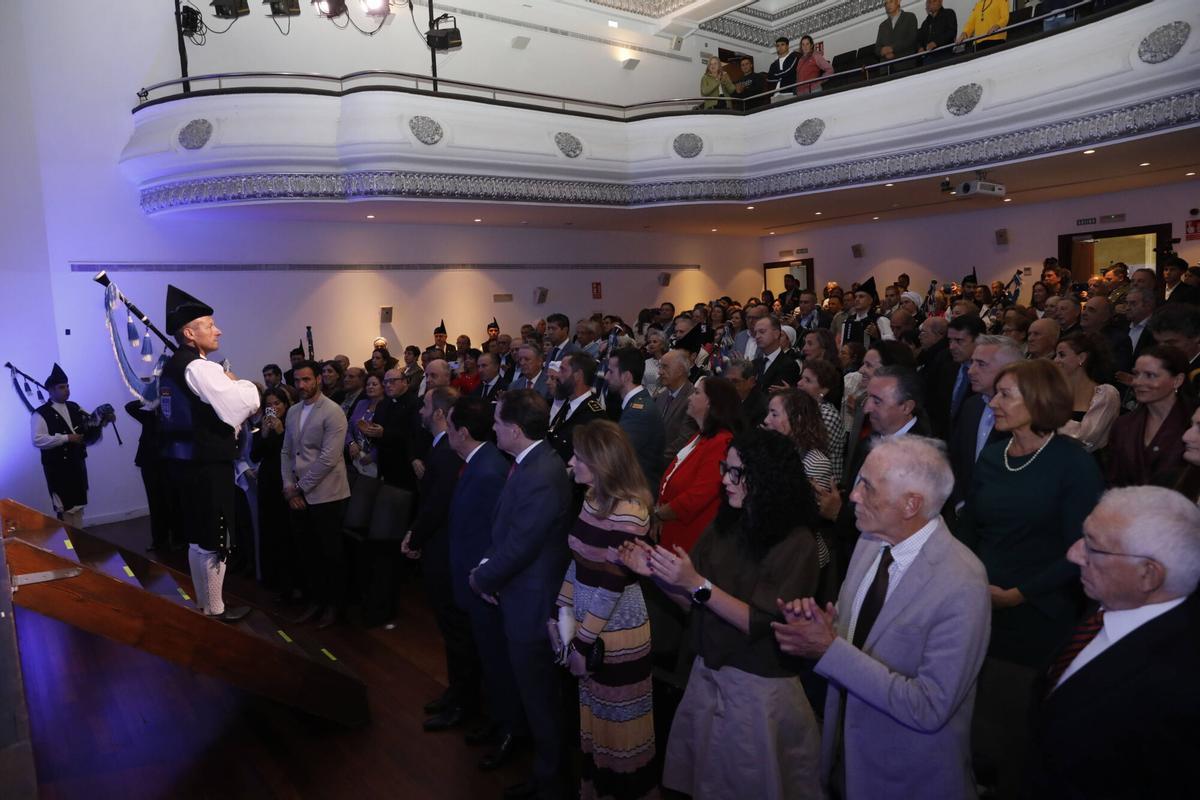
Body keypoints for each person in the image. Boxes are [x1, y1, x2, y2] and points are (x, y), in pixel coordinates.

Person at [773, 436, 990, 800]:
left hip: (906, 780)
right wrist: (821, 628)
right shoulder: (870, 541)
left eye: (868, 487)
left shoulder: (962, 582)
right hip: (845, 762)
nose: (854, 496)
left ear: (911, 504)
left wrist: (829, 649)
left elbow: (929, 707)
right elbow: (859, 639)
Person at [620, 429, 824, 800]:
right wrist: (656, 575)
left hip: (755, 688)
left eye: (736, 473)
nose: (725, 480)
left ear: (766, 479)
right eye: (724, 469)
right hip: (709, 673)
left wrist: (696, 583)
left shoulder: (797, 542)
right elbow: (693, 602)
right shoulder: (727, 523)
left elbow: (760, 623)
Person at [957, 359, 1103, 798]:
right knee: (973, 720)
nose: (993, 403)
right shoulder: (992, 455)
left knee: (1013, 731)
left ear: (1039, 400)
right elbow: (970, 529)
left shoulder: (1073, 464)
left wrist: (1019, 594)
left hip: (1039, 613)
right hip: (980, 604)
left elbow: (1082, 547)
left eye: (1006, 395)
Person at [1028, 486, 1200, 797]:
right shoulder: (1111, 603)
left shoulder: (1178, 685)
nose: (1073, 554)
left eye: (1093, 547)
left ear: (1148, 575)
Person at [470, 390, 572, 800]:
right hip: (518, 591)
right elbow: (508, 532)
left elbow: (522, 545)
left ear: (514, 429)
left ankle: (549, 782)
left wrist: (482, 579)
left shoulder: (541, 473)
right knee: (531, 692)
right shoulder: (529, 462)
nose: (492, 428)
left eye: (497, 422)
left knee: (540, 697)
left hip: (532, 602)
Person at [553, 421, 657, 800]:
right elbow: (578, 561)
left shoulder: (631, 511)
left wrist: (581, 644)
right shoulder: (592, 497)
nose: (571, 462)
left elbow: (611, 587)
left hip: (616, 631)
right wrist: (560, 612)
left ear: (601, 463)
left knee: (619, 728)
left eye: (578, 457)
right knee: (596, 722)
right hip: (589, 624)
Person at [157, 285, 259, 621]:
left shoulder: (173, 366)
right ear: (189, 333)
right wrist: (237, 381)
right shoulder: (201, 368)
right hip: (208, 464)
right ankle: (216, 609)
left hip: (184, 464)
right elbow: (244, 403)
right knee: (216, 537)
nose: (218, 330)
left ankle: (204, 606)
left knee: (198, 537)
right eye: (210, 325)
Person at [444, 396, 523, 770]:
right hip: (472, 581)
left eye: (448, 427)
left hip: (484, 585)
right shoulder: (478, 463)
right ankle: (495, 720)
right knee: (486, 658)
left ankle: (509, 729)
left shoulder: (489, 470)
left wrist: (483, 578)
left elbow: (497, 534)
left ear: (461, 433)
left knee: (496, 661)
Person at [405, 387, 481, 734]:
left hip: (445, 552)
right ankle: (455, 693)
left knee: (456, 630)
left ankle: (464, 701)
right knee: (449, 631)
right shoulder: (439, 448)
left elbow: (437, 505)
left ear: (439, 413)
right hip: (439, 549)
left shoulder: (447, 453)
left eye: (425, 405)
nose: (421, 410)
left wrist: (414, 537)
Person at [281, 360, 352, 630]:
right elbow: (286, 451)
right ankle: (316, 601)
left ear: (318, 379)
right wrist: (289, 486)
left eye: (307, 380)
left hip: (327, 495)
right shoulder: (293, 411)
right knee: (307, 553)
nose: (301, 385)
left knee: (330, 554)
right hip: (298, 493)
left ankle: (334, 606)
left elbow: (329, 458)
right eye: (297, 381)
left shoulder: (333, 411)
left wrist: (299, 487)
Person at [655, 377, 742, 553]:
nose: (689, 397)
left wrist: (659, 514)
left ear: (711, 402)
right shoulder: (700, 436)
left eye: (696, 392)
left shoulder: (722, 442)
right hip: (672, 532)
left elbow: (698, 495)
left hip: (689, 539)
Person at [946, 335, 1022, 516]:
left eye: (981, 364)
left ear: (1008, 370)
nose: (971, 371)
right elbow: (956, 459)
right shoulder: (971, 406)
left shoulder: (1024, 418)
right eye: (972, 362)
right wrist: (960, 502)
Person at [32, 363, 112, 530]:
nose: (67, 390)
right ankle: (68, 546)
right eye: (62, 387)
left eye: (67, 386)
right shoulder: (40, 413)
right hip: (57, 469)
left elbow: (88, 431)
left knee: (78, 508)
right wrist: (66, 438)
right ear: (51, 390)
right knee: (65, 511)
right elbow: (37, 440)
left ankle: (78, 543)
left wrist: (101, 420)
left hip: (77, 464)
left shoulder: (75, 407)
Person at [1106, 346, 1195, 488]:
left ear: (1177, 380)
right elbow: (1113, 480)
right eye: (1136, 374)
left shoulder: (1193, 423)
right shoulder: (1123, 425)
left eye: (1150, 375)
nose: (1137, 382)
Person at [250, 385, 294, 594]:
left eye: (277, 403)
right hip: (267, 480)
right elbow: (255, 455)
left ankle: (287, 581)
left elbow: (291, 452)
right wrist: (265, 433)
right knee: (267, 528)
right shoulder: (262, 425)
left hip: (285, 480)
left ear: (285, 404)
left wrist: (279, 431)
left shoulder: (291, 423)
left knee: (284, 531)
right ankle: (270, 577)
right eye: (269, 405)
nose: (274, 408)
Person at [608, 347, 666, 496]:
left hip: (637, 493)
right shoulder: (637, 403)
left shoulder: (639, 412)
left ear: (626, 376)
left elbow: (617, 455)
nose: (606, 376)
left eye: (611, 372)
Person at [1055, 331, 1120, 453]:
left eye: (1061, 355)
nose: (1055, 360)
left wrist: (1048, 422)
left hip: (1087, 461)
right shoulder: (1057, 392)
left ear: (1082, 358)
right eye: (1056, 355)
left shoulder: (1106, 394)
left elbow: (1086, 437)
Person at [125, 397, 173, 550]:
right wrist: (147, 400)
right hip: (149, 462)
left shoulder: (172, 414)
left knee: (172, 501)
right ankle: (159, 540)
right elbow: (129, 407)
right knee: (154, 502)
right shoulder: (148, 415)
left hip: (169, 462)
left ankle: (176, 539)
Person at [798, 358, 847, 479]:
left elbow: (810, 453)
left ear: (824, 390)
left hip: (822, 482)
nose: (799, 383)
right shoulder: (804, 409)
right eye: (801, 378)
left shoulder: (827, 415)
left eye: (807, 380)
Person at [655, 349, 699, 464]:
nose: (660, 372)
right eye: (660, 367)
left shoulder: (693, 399)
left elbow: (684, 441)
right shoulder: (661, 396)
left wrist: (653, 459)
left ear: (680, 370)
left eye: (665, 367)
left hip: (670, 465)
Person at [346, 372, 384, 478]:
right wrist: (351, 443)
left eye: (374, 384)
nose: (370, 387)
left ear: (383, 387)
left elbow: (389, 437)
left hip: (377, 463)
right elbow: (348, 428)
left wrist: (374, 455)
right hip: (356, 457)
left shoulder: (387, 406)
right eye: (368, 384)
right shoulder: (361, 403)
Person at [753, 314, 801, 393]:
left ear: (776, 334)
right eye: (755, 333)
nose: (757, 336)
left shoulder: (789, 365)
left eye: (762, 332)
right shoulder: (754, 363)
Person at [875, 0, 918, 71]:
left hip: (905, 65)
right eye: (886, 3)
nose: (888, 5)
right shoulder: (882, 25)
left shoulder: (910, 17)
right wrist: (883, 52)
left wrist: (892, 48)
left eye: (891, 1)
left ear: (898, 2)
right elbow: (877, 48)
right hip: (887, 69)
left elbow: (911, 39)